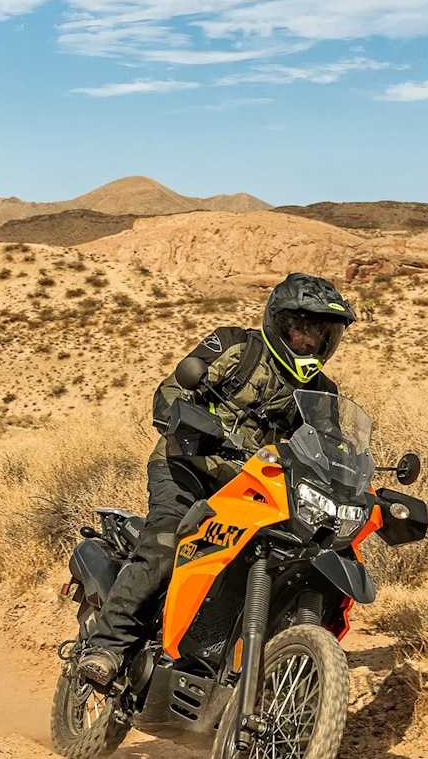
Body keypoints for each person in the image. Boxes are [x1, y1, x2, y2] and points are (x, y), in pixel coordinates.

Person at [74, 273, 356, 687]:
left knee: (290, 559)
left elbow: (332, 448)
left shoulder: (322, 392)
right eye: (303, 329)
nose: (311, 342)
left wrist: (351, 477)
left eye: (322, 334)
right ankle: (108, 646)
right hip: (188, 468)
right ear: (280, 323)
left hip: (253, 491)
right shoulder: (236, 347)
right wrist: (190, 422)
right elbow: (171, 392)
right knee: (167, 544)